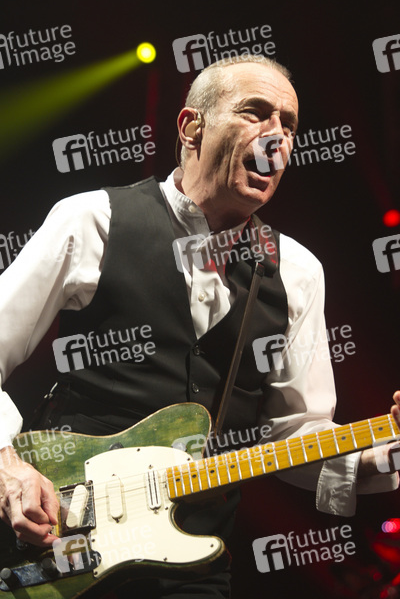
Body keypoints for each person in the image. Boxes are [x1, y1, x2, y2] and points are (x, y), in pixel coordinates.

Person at [0, 55, 399, 598]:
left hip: (193, 564)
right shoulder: (93, 220)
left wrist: (385, 454)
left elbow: (294, 435)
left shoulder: (298, 271)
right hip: (58, 539)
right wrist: (9, 468)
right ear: (191, 127)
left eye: (289, 125)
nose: (277, 137)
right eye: (256, 113)